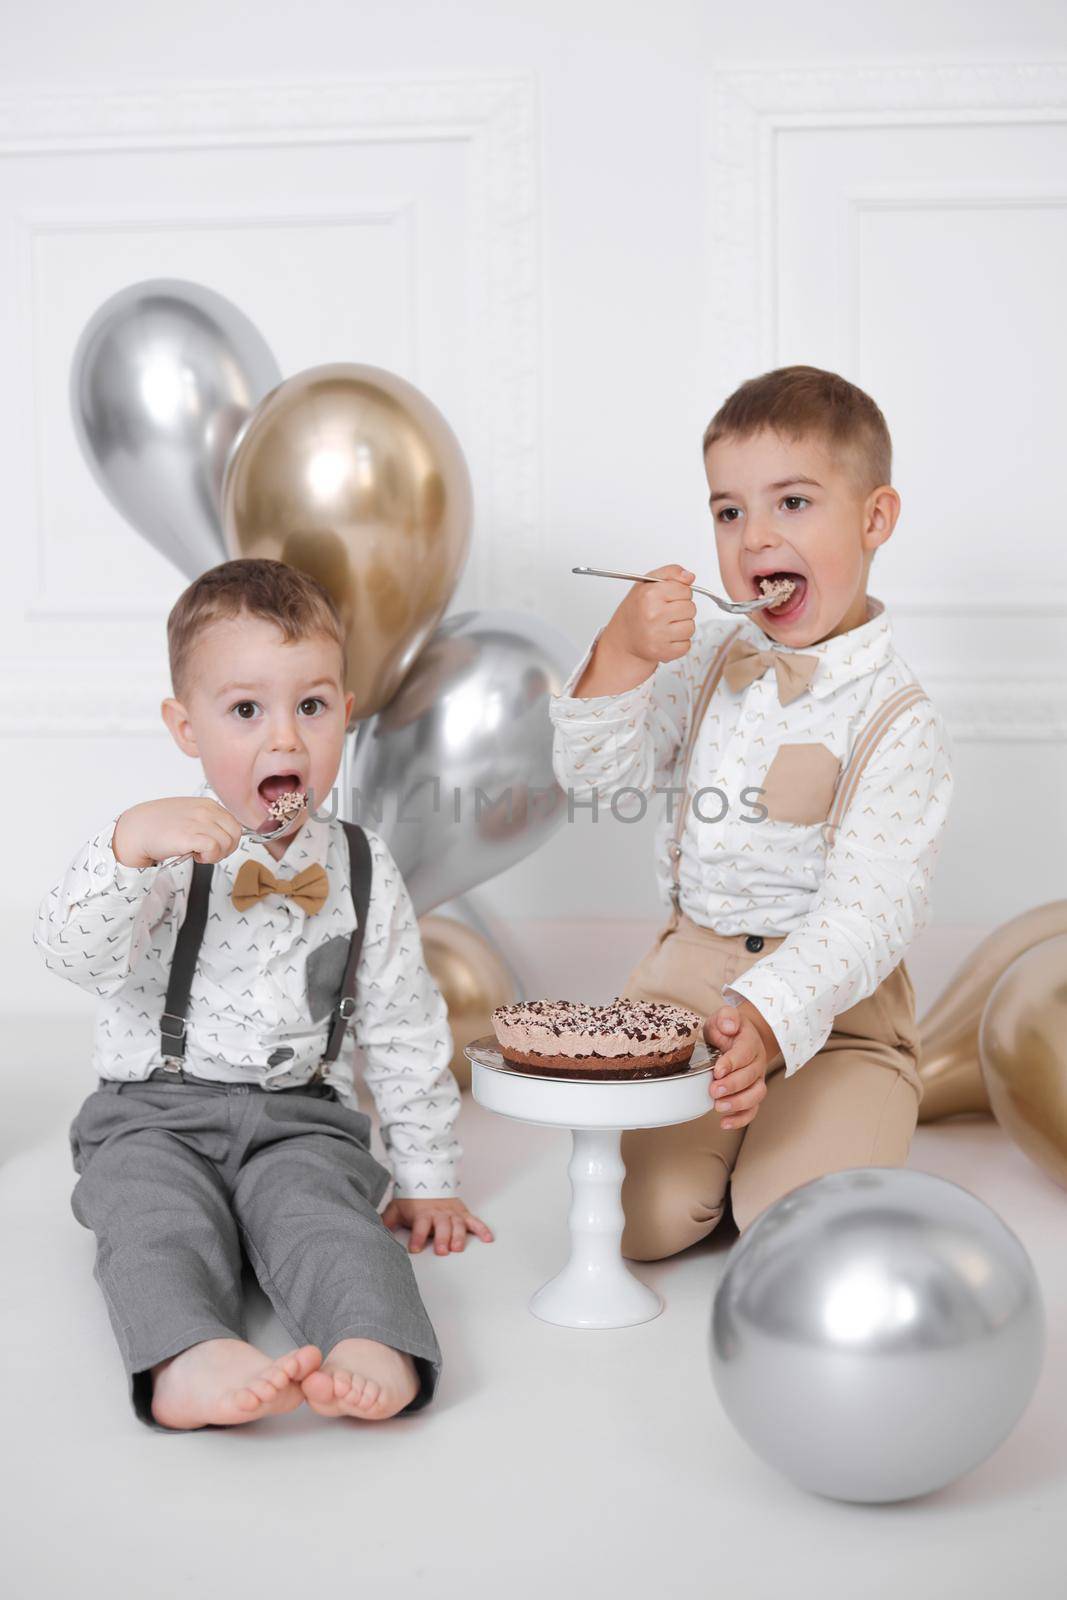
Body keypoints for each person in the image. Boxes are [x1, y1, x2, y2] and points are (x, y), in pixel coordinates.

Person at [34, 557, 492, 1432]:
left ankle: (372, 1339)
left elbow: (401, 1022)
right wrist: (125, 848)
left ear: (346, 716)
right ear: (186, 727)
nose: (284, 740)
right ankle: (185, 1356)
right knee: (151, 1220)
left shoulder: (360, 865)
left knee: (331, 1221)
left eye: (310, 707)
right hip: (150, 1114)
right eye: (246, 711)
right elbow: (71, 954)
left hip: (299, 1116)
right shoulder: (157, 848)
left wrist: (428, 1177)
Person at [549, 364, 954, 1258]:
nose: (754, 536)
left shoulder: (897, 717)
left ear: (874, 518)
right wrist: (619, 655)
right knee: (632, 1225)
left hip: (836, 1014)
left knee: (793, 1228)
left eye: (793, 504)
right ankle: (714, 1157)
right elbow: (593, 777)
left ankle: (821, 1127)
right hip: (683, 983)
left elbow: (868, 911)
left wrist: (770, 1019)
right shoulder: (705, 663)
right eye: (728, 512)